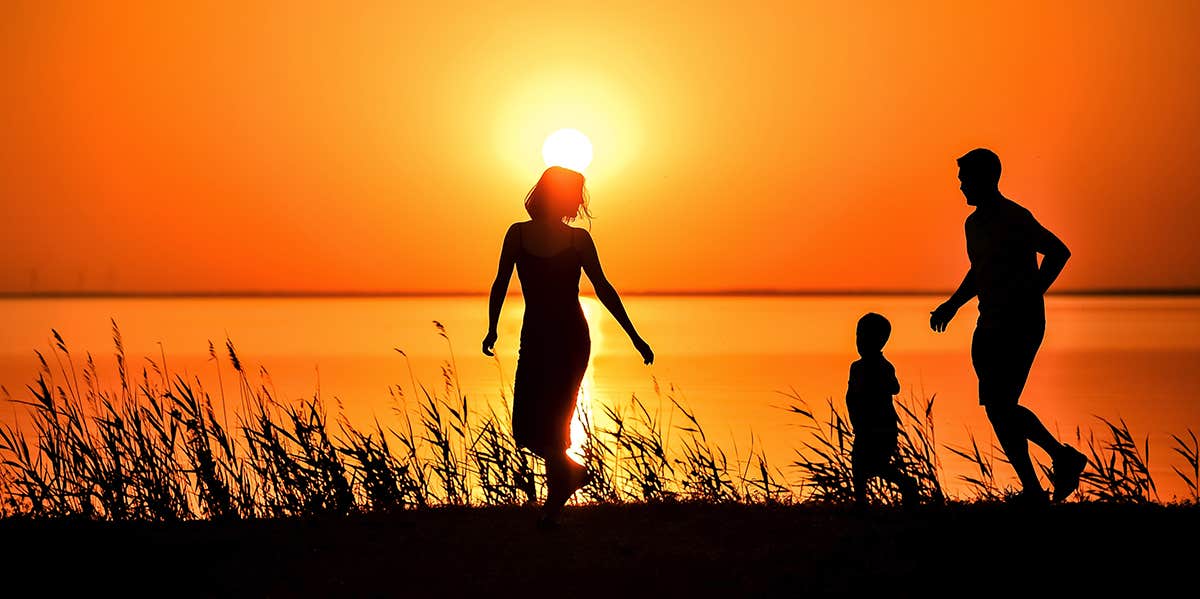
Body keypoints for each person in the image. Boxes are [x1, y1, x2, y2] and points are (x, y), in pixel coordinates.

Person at [483, 166, 654, 528]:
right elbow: (500, 282)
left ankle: (553, 507)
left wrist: (635, 336)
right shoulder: (518, 235)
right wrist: (491, 329)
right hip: (535, 338)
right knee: (528, 426)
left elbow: (604, 289)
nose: (577, 201)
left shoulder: (579, 240)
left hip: (570, 340)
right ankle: (571, 476)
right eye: (573, 193)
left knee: (555, 423)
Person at [930, 148, 1088, 504]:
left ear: (984, 178)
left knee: (1001, 404)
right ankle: (1045, 476)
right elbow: (979, 271)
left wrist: (1032, 292)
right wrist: (952, 305)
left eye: (964, 178)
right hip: (989, 321)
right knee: (998, 407)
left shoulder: (1014, 217)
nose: (960, 186)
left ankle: (1047, 474)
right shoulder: (973, 223)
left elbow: (1058, 251)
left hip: (1021, 322)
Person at [846, 312, 919, 507]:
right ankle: (860, 502)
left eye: (865, 338)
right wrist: (855, 418)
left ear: (880, 342)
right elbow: (850, 395)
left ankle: (907, 484)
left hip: (882, 427)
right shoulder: (856, 367)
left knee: (876, 465)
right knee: (858, 465)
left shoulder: (884, 366)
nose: (860, 343)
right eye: (858, 337)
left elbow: (895, 388)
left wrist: (878, 383)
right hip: (862, 426)